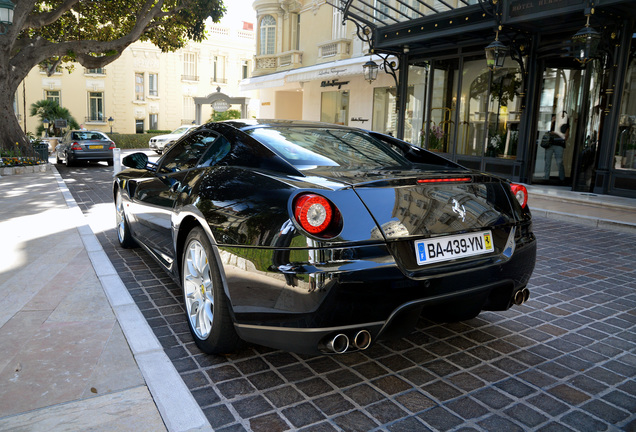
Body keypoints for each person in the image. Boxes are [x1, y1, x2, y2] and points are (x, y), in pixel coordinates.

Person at [544, 112, 570, 182]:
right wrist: (552, 121)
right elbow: (546, 130)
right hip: (550, 144)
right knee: (547, 162)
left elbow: (565, 137)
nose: (561, 117)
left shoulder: (566, 125)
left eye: (563, 116)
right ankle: (546, 178)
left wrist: (556, 133)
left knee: (559, 162)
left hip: (559, 145)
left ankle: (562, 179)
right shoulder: (554, 122)